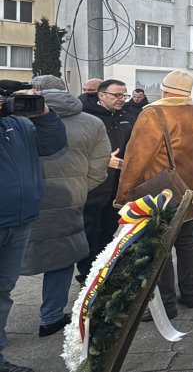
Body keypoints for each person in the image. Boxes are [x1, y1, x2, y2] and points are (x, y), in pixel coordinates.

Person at [117, 71, 193, 321]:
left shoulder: (152, 114)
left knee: (158, 246)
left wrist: (124, 195)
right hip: (189, 190)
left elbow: (136, 160)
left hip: (158, 192)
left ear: (163, 89)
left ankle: (166, 305)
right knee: (186, 242)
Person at [22, 76, 110, 337]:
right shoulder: (92, 122)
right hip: (69, 199)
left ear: (35, 91)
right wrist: (79, 188)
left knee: (8, 262)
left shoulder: (15, 119)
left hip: (20, 201)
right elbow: (100, 165)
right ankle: (51, 316)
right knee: (62, 258)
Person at [0, 88, 67, 372]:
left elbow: (53, 144)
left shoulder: (19, 124)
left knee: (3, 291)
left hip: (19, 220)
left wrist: (44, 114)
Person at [77, 79, 138, 282]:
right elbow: (74, 150)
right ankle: (87, 275)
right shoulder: (85, 117)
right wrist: (104, 160)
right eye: (116, 95)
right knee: (89, 231)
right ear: (101, 95)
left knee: (110, 229)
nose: (121, 99)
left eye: (124, 95)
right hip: (94, 185)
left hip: (119, 185)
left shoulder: (129, 116)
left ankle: (104, 270)